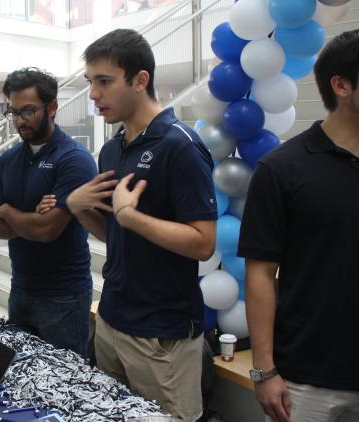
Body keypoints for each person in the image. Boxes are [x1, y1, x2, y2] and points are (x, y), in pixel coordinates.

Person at [66, 29, 217, 420]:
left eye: (104, 82)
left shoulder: (180, 146)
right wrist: (80, 209)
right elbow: (115, 235)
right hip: (112, 320)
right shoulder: (112, 148)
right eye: (90, 83)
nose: (94, 94)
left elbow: (203, 244)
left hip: (161, 335)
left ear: (140, 80)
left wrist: (132, 216)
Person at [238, 29, 359, 422]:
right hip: (306, 379)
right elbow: (259, 275)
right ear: (341, 85)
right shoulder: (282, 169)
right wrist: (264, 369)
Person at [0, 67, 97, 357]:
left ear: (52, 107)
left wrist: (6, 210)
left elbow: (46, 231)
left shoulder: (74, 160)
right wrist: (27, 218)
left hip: (64, 298)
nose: (20, 121)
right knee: (21, 379)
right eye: (13, 113)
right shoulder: (8, 160)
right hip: (20, 289)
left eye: (28, 111)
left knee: (64, 386)